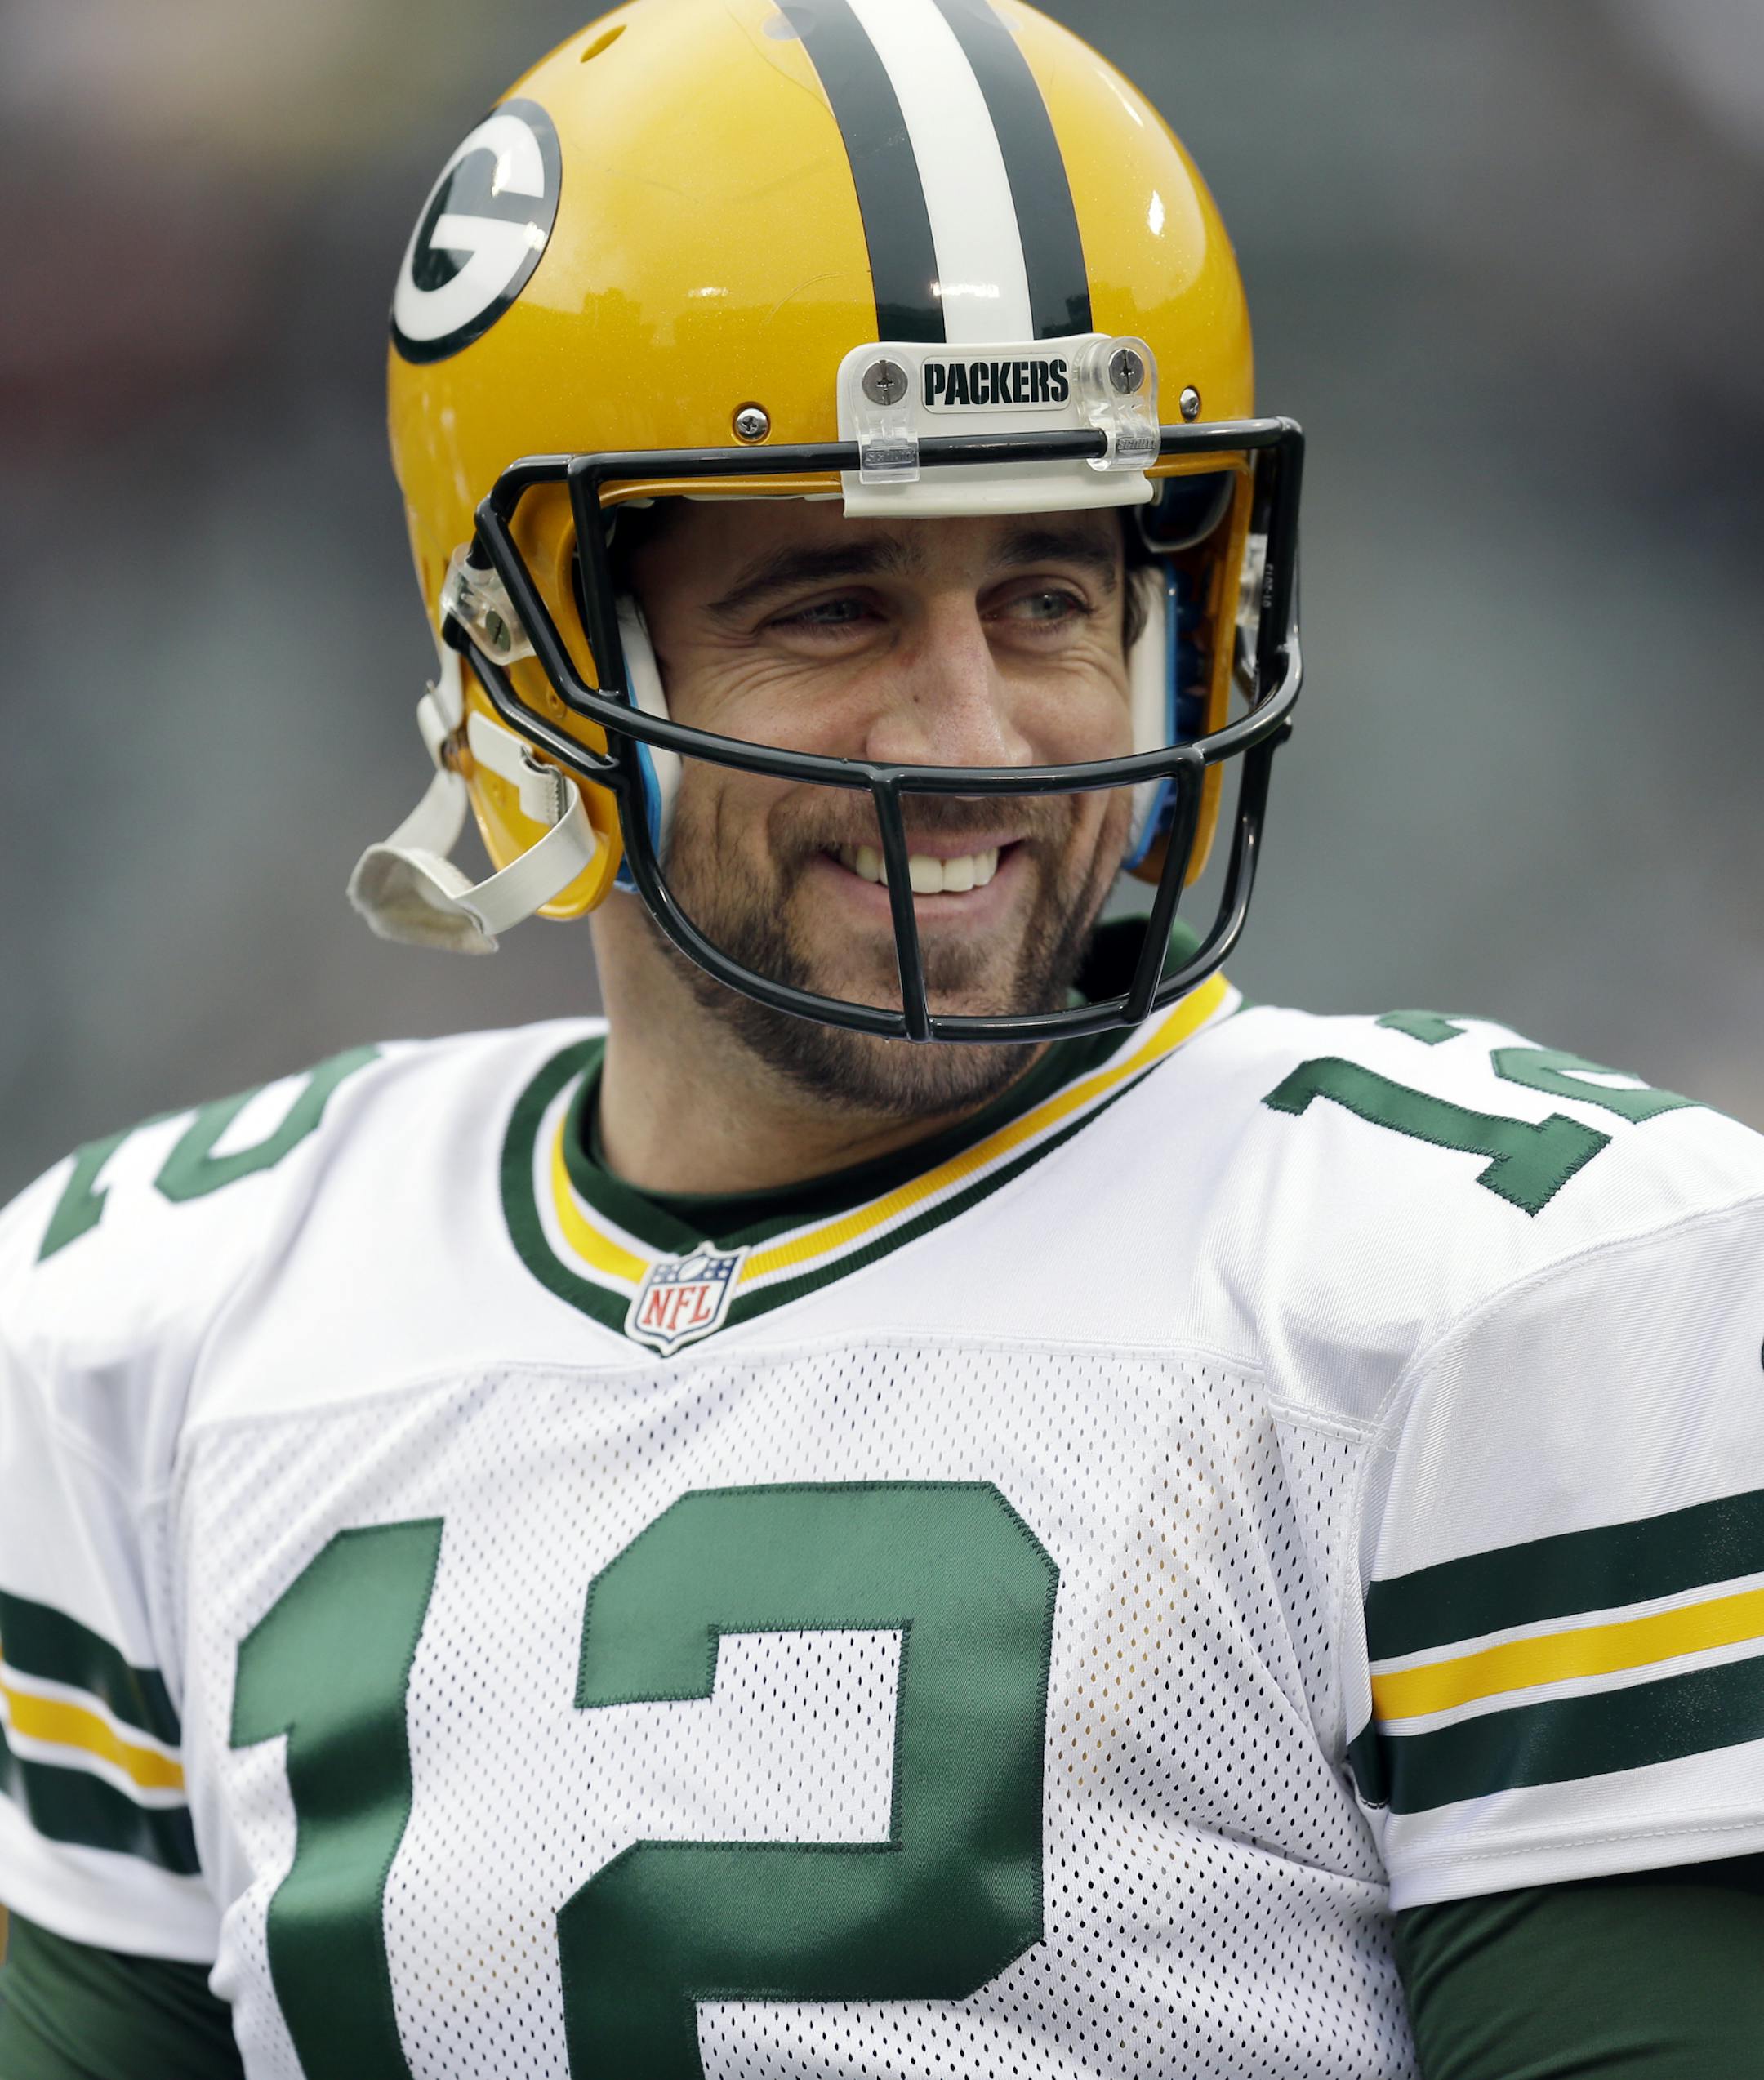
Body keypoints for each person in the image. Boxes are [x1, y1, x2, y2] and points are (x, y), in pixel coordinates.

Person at [2, 1, 1761, 2073]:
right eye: (830, 605)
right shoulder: (140, 1315)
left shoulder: (1535, 1289)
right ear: (528, 661)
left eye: (1049, 597)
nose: (971, 734)